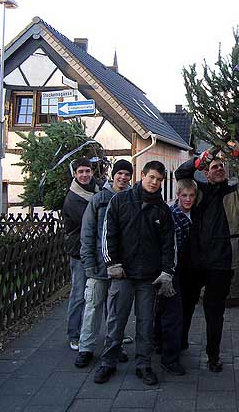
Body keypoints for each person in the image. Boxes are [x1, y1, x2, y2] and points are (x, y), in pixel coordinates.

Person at [175, 143, 239, 373]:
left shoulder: (235, 195)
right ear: (205, 172)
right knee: (185, 307)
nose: (219, 169)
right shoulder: (197, 190)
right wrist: (205, 155)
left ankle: (213, 355)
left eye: (222, 166)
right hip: (192, 263)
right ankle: (180, 344)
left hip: (221, 265)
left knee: (214, 312)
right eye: (214, 166)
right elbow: (181, 173)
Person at [94, 160, 176, 386]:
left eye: (159, 180)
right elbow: (108, 234)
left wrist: (167, 271)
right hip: (123, 274)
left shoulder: (162, 210)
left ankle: (143, 365)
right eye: (151, 177)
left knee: (145, 324)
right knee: (115, 321)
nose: (155, 183)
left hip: (149, 278)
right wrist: (112, 263)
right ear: (142, 175)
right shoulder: (120, 201)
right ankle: (108, 362)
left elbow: (169, 244)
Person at [75, 159, 133, 368]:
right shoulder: (99, 199)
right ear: (113, 175)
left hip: (121, 268)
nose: (123, 177)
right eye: (120, 173)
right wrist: (89, 263)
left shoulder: (132, 199)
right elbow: (88, 233)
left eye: (127, 174)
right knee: (92, 307)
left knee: (116, 311)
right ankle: (86, 348)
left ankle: (114, 347)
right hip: (98, 266)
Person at [153, 178, 197, 376]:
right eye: (184, 195)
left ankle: (160, 341)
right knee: (172, 312)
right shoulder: (173, 215)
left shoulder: (195, 214)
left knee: (168, 308)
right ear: (177, 195)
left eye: (191, 195)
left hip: (188, 269)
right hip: (172, 269)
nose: (188, 199)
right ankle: (169, 356)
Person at [62, 157, 100, 351]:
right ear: (75, 175)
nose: (84, 175)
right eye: (80, 172)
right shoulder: (73, 199)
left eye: (87, 171)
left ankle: (93, 331)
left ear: (92, 172)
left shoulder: (96, 189)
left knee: (97, 295)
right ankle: (73, 334)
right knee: (79, 295)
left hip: (95, 250)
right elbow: (92, 222)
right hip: (79, 252)